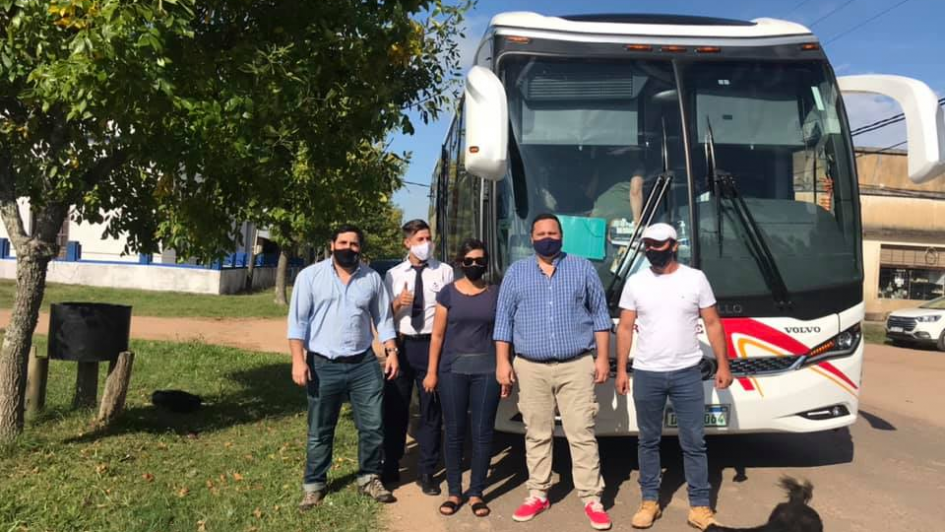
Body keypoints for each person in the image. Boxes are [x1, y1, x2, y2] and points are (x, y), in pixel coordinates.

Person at [494, 213, 614, 531]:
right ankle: (538, 492)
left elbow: (600, 315)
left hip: (576, 364)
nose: (547, 237)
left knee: (582, 433)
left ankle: (591, 497)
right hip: (530, 367)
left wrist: (603, 358)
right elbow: (503, 321)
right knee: (537, 433)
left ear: (562, 236)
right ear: (531, 238)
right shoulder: (517, 272)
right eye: (541, 232)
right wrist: (502, 362)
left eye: (553, 232)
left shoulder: (582, 267)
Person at [614, 222, 734, 531]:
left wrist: (723, 365)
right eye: (648, 245)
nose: (653, 250)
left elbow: (713, 323)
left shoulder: (695, 279)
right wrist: (623, 369)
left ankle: (700, 507)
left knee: (694, 442)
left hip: (687, 374)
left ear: (674, 244)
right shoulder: (636, 282)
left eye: (659, 244)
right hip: (647, 373)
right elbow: (625, 327)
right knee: (648, 441)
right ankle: (649, 502)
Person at [288, 224, 400, 510]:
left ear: (360, 248)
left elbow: (384, 319)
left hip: (363, 364)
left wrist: (391, 351)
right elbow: (297, 322)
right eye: (343, 242)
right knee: (320, 428)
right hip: (323, 364)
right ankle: (314, 485)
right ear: (331, 244)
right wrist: (298, 360)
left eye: (354, 244)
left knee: (373, 426)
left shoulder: (372, 278)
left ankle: (369, 478)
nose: (348, 248)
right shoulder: (310, 277)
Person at [423, 238, 501, 518]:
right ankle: (455, 491)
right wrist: (432, 372)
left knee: (482, 434)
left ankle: (477, 492)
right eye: (469, 261)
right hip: (451, 371)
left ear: (486, 263)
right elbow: (437, 335)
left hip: (487, 372)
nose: (475, 266)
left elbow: (503, 335)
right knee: (454, 433)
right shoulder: (447, 293)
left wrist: (504, 367)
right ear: (460, 263)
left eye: (480, 261)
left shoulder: (496, 293)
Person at [382, 219, 454, 495]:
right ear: (407, 242)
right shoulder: (393, 274)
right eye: (420, 239)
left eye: (428, 238)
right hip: (402, 346)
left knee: (431, 411)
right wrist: (398, 303)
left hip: (432, 347)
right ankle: (391, 464)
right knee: (396, 408)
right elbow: (383, 315)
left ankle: (427, 470)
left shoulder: (444, 271)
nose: (426, 244)